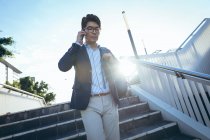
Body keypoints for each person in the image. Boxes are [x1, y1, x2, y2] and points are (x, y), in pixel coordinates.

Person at [58, 14, 121, 140]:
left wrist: (112, 62)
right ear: (84, 31)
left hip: (110, 100)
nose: (94, 31)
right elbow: (62, 66)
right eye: (90, 28)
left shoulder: (105, 50)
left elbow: (118, 70)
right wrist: (77, 43)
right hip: (89, 103)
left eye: (96, 29)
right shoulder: (77, 51)